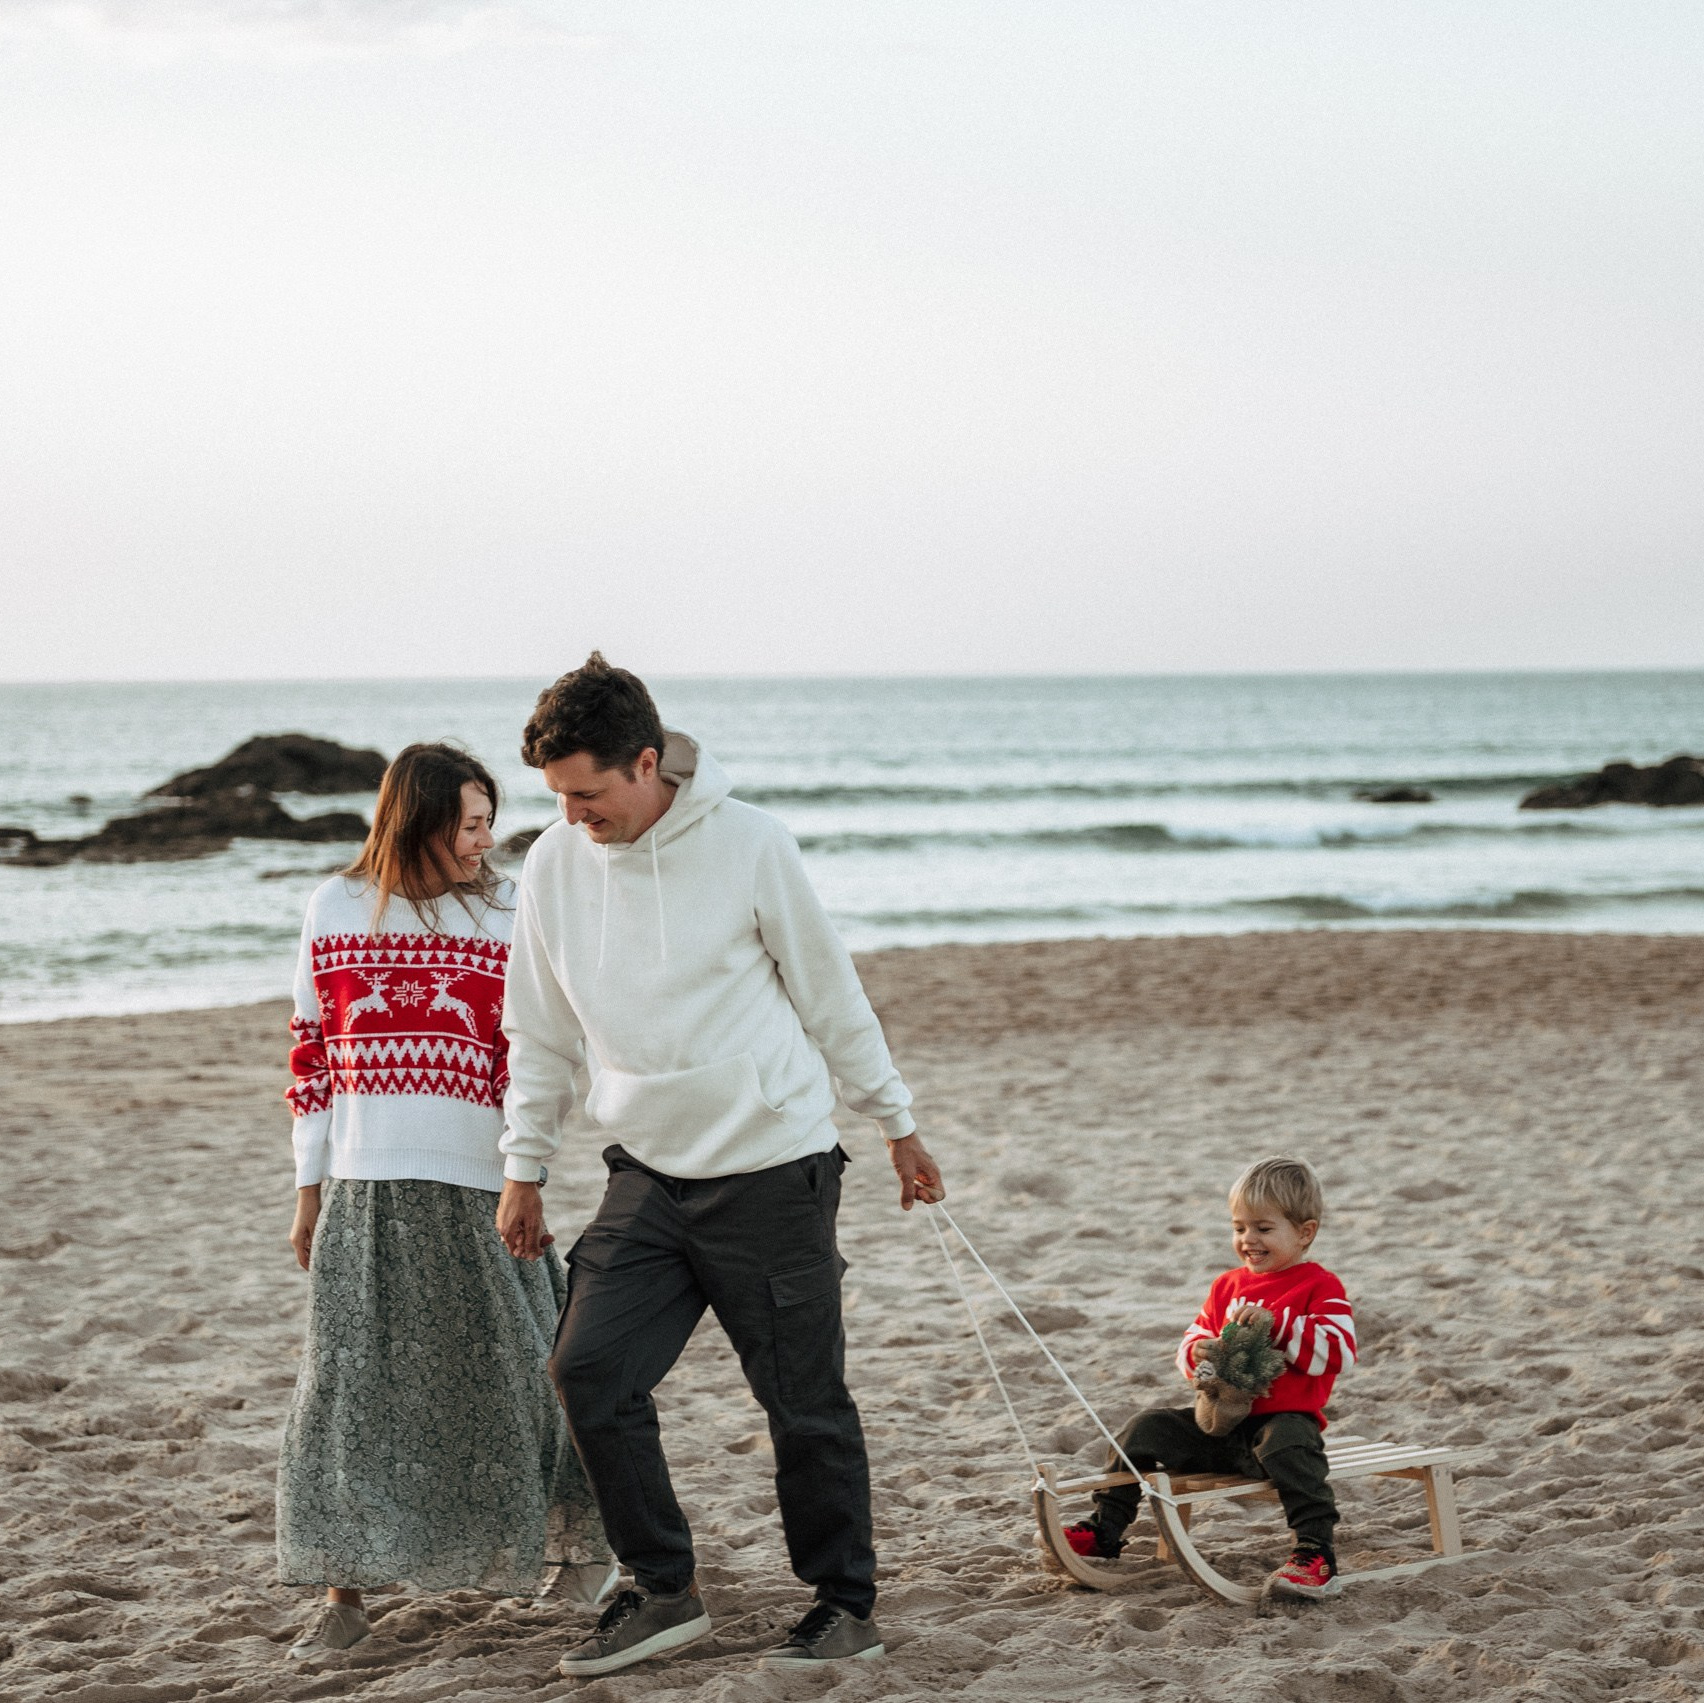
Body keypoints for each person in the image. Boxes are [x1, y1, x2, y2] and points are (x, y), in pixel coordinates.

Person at [495, 653, 946, 1678]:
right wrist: (524, 1167)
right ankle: (664, 1589)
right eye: (557, 795)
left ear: (646, 762)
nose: (571, 814)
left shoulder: (751, 844)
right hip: (647, 1173)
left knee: (803, 1402)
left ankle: (844, 1605)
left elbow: (830, 992)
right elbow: (538, 1032)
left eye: (587, 793)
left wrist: (896, 1121)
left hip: (773, 1166)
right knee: (588, 1369)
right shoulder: (556, 865)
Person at [276, 742, 609, 1662]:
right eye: (470, 823)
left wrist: (526, 1174)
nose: (485, 840)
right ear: (419, 820)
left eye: (489, 821)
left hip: (483, 1185)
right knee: (348, 1392)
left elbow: (535, 1054)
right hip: (365, 1188)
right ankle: (343, 1595)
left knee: (533, 1374)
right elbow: (311, 1054)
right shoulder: (334, 907)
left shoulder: (508, 911)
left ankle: (580, 1553)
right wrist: (308, 1190)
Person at [1064, 1155, 1357, 1599]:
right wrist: (1199, 1352)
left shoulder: (1319, 1285)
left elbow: (1339, 1353)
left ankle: (1315, 1553)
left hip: (1281, 1429)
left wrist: (1277, 1325)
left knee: (1289, 1442)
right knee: (1143, 1428)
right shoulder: (1227, 1286)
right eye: (1239, 1228)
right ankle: (1105, 1528)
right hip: (1219, 1428)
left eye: (1263, 1228)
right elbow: (1193, 1341)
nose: (1248, 1239)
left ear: (1304, 1232)